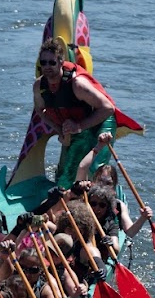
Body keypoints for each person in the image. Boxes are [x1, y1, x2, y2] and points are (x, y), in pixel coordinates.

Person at [34, 37, 117, 189]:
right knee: (65, 175)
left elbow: (108, 108)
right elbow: (40, 110)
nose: (47, 67)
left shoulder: (77, 85)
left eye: (52, 62)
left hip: (101, 120)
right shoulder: (39, 86)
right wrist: (60, 131)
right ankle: (66, 201)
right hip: (75, 124)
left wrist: (78, 126)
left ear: (60, 62)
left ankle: (104, 202)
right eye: (43, 62)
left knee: (95, 170)